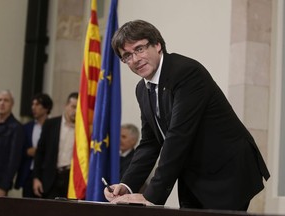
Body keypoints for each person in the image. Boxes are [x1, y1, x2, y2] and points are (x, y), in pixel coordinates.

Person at [103, 20, 270, 211]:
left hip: (227, 171)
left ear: (157, 45)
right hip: (193, 174)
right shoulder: (142, 89)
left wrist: (151, 197)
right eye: (127, 56)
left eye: (139, 49)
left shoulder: (186, 72)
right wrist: (126, 186)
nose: (135, 59)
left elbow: (178, 135)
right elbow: (150, 143)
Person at [32, 92, 78, 199]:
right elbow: (40, 153)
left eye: (78, 108)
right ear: (66, 105)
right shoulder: (50, 124)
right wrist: (36, 178)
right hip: (51, 178)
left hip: (72, 179)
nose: (75, 111)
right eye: (73, 107)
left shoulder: (83, 131)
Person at [15, 93, 53, 197]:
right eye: (32, 104)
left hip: (45, 173)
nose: (33, 107)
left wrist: (40, 151)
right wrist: (27, 151)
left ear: (46, 108)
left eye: (37, 104)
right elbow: (19, 149)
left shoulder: (53, 127)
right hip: (28, 172)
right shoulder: (27, 127)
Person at [0, 90, 25, 197]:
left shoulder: (17, 128)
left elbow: (13, 161)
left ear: (12, 104)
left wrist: (3, 186)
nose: (2, 103)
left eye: (6, 100)